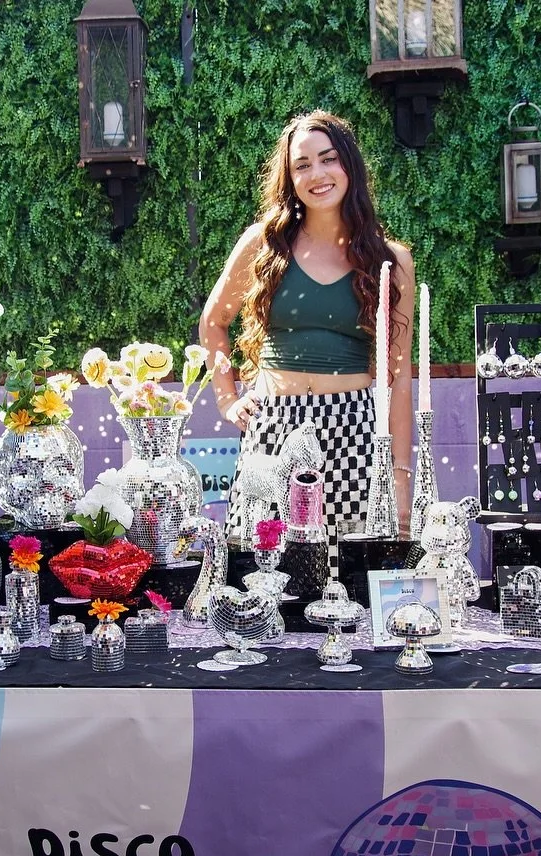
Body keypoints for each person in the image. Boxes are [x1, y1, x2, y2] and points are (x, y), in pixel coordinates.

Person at [199, 110, 415, 569]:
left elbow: (398, 378)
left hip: (356, 428)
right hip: (274, 425)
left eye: (328, 159)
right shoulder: (262, 244)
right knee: (261, 573)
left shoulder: (390, 260)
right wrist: (226, 399)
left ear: (349, 167)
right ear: (289, 177)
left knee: (347, 578)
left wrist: (400, 479)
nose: (317, 174)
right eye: (302, 165)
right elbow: (213, 323)